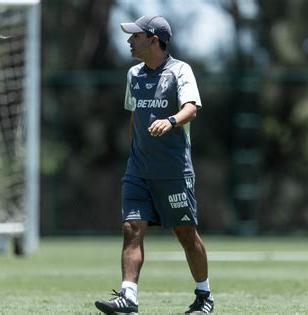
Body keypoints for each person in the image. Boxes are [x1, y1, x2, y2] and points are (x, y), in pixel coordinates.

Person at [95, 16, 214, 314]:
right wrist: (135, 151)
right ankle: (128, 297)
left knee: (185, 233)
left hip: (173, 171)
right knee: (131, 227)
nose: (129, 41)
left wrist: (170, 121)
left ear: (153, 39)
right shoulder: (133, 74)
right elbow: (134, 115)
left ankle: (204, 296)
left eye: (135, 36)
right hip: (138, 170)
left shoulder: (180, 71)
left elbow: (191, 108)